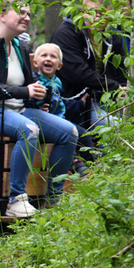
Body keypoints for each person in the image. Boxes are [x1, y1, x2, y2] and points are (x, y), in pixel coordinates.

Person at [0, 2, 79, 218]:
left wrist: (38, 95)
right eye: (21, 13)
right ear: (2, 14)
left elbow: (27, 83)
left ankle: (53, 199)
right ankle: (16, 199)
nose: (27, 18)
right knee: (29, 129)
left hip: (18, 110)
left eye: (29, 14)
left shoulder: (19, 45)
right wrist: (25, 93)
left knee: (70, 133)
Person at [50, 0, 128, 131]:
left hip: (107, 100)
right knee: (114, 128)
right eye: (93, 12)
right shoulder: (67, 33)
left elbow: (121, 72)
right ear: (81, 11)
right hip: (75, 103)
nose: (97, 17)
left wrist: (123, 91)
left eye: (103, 14)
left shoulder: (113, 38)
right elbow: (78, 73)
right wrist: (114, 87)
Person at [32, 43, 96, 173]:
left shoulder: (57, 82)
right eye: (44, 55)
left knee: (83, 133)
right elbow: (26, 102)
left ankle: (93, 165)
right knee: (67, 135)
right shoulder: (35, 80)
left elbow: (61, 103)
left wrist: (80, 104)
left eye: (53, 57)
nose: (48, 59)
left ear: (59, 65)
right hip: (43, 122)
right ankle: (75, 163)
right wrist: (37, 107)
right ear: (35, 62)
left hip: (60, 119)